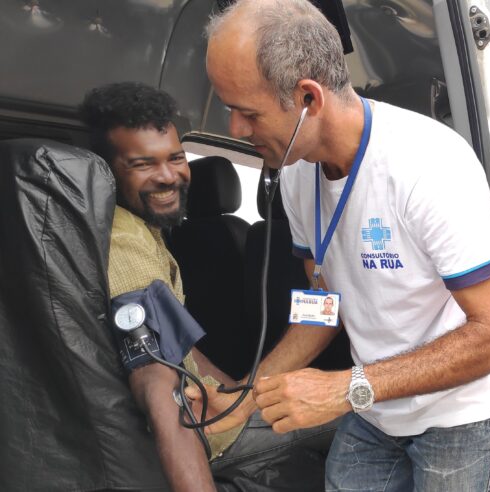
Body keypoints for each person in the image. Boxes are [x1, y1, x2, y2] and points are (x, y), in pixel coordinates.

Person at [192, 0, 490, 490]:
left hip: (460, 412)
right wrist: (250, 392)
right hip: (374, 408)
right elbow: (323, 302)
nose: (235, 131)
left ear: (309, 98)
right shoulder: (296, 173)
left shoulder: (427, 166)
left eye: (247, 113)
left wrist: (345, 388)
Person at [79, 82, 335, 492]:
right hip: (204, 436)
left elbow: (182, 349)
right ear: (108, 172)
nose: (168, 176)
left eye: (177, 158)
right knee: (367, 419)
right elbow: (158, 380)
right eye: (143, 164)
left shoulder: (148, 232)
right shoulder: (125, 244)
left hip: (214, 414)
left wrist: (234, 392)